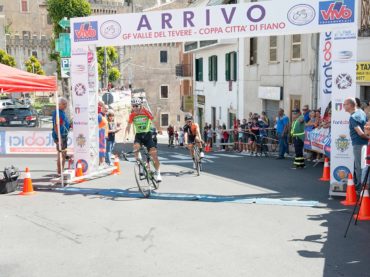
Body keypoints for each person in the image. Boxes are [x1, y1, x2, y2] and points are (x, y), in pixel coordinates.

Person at [125, 98, 162, 182]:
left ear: (140, 105)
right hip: (138, 135)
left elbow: (154, 120)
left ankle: (158, 173)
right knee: (135, 148)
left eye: (136, 106)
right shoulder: (132, 115)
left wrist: (159, 129)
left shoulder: (145, 111)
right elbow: (128, 125)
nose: (135, 108)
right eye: (133, 106)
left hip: (147, 134)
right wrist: (126, 136)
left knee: (154, 155)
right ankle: (141, 165)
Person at [344, 98, 368, 191]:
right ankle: (364, 186)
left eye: (345, 104)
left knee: (359, 167)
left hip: (358, 144)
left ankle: (360, 187)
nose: (343, 106)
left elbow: (361, 133)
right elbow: (366, 127)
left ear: (350, 105)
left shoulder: (353, 117)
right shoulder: (362, 112)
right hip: (365, 144)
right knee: (364, 166)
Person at [52, 97, 70, 176]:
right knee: (61, 154)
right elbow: (56, 126)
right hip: (60, 136)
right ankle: (60, 171)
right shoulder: (58, 113)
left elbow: (63, 124)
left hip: (63, 135)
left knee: (63, 153)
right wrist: (59, 138)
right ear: (59, 104)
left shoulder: (62, 112)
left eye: (66, 104)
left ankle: (61, 170)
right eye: (64, 104)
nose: (66, 105)